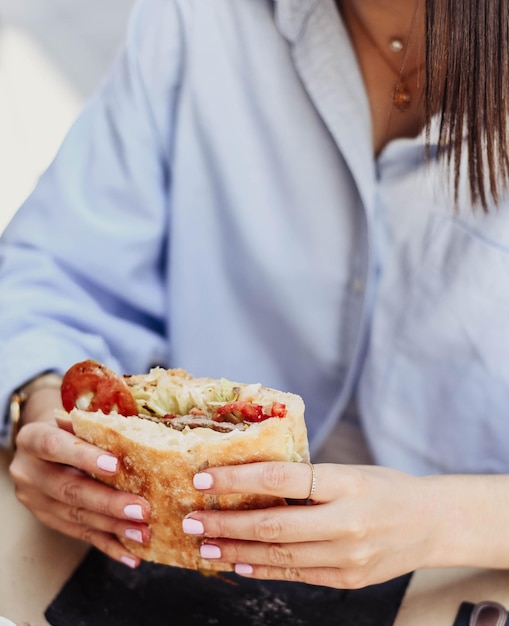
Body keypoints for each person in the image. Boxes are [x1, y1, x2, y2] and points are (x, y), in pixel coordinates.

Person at [2, 0, 509, 590]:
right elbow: (50, 270)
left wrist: (446, 522)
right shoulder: (199, 17)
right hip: (156, 569)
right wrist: (40, 404)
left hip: (465, 588)